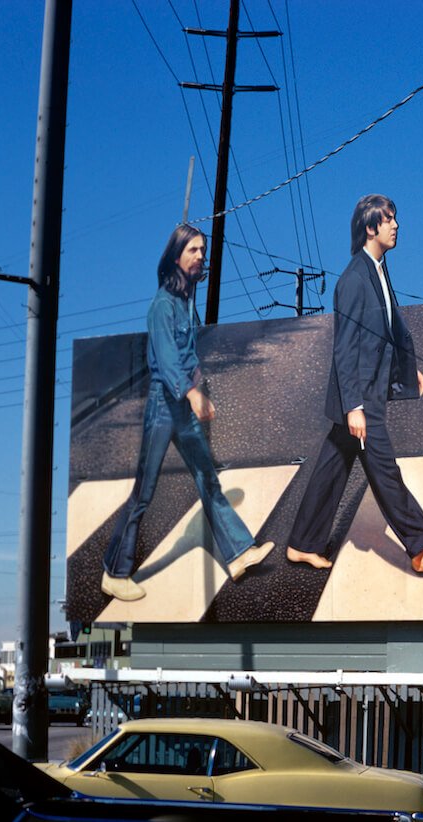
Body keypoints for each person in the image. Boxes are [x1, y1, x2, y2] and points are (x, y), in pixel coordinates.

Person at [101, 225, 274, 602]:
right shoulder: (163, 305)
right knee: (144, 492)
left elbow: (188, 355)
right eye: (193, 249)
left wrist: (198, 381)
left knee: (207, 478)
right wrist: (193, 392)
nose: (200, 256)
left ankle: (240, 553)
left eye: (202, 250)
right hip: (165, 406)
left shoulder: (185, 301)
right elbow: (166, 360)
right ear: (176, 255)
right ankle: (115, 573)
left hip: (182, 405)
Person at [283, 194, 423, 574]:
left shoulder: (377, 268)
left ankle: (302, 543)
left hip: (370, 388)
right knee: (385, 471)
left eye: (395, 218)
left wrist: (408, 372)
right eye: (389, 219)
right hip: (362, 397)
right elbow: (345, 348)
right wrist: (353, 405)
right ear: (370, 227)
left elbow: (386, 333)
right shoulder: (355, 279)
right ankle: (419, 547)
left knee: (333, 465)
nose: (396, 225)